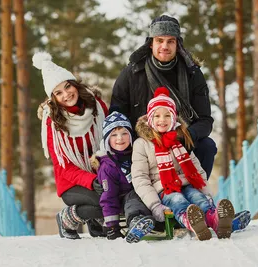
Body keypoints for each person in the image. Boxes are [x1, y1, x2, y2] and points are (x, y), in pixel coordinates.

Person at [110, 14, 251, 232]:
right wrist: (140, 142)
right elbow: (117, 115)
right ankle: (169, 212)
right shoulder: (131, 73)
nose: (164, 46)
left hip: (181, 140)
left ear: (178, 44)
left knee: (207, 146)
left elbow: (205, 120)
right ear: (151, 43)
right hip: (143, 145)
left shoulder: (192, 73)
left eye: (170, 41)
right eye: (159, 40)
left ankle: (207, 213)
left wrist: (183, 136)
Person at [131, 87, 235, 240]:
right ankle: (192, 221)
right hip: (163, 188)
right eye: (157, 116)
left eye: (167, 115)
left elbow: (196, 168)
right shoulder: (142, 144)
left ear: (173, 118)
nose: (162, 120)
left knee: (197, 197)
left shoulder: (180, 140)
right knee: (177, 200)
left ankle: (215, 220)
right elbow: (140, 178)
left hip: (186, 183)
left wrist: (206, 194)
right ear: (150, 119)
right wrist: (154, 205)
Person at [33, 51, 108, 240]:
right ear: (53, 98)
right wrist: (91, 181)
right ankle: (67, 219)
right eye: (58, 93)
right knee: (102, 203)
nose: (66, 94)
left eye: (67, 87)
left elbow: (110, 138)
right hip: (71, 181)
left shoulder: (96, 106)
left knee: (116, 195)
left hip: (100, 170)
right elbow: (64, 167)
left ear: (74, 84)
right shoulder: (53, 122)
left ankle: (95, 221)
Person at [90, 111, 155, 242]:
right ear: (107, 139)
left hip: (146, 192)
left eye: (124, 133)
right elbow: (109, 197)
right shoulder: (107, 165)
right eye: (114, 135)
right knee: (132, 198)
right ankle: (136, 223)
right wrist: (112, 227)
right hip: (122, 200)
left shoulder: (137, 153)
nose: (120, 138)